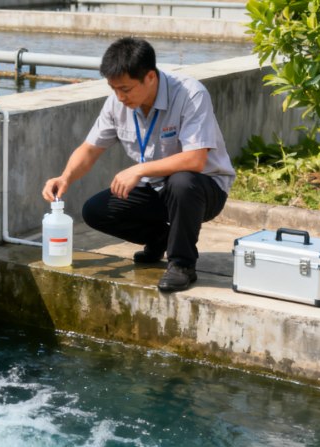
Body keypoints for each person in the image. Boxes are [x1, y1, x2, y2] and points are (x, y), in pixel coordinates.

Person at [43, 37, 236, 292]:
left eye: (125, 89)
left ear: (150, 77)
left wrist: (139, 169)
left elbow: (195, 160)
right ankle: (160, 238)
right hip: (156, 186)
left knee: (182, 180)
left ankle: (182, 264)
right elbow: (89, 149)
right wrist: (65, 177)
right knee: (95, 210)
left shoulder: (191, 94)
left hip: (202, 189)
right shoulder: (117, 103)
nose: (119, 97)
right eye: (113, 88)